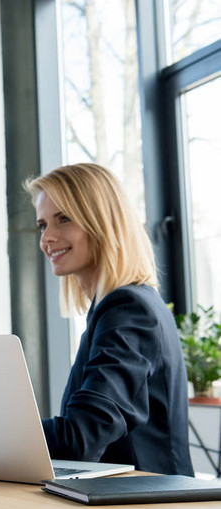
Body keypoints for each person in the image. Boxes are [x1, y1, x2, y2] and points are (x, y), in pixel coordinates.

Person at [27, 163, 193, 476]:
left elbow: (81, 436)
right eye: (42, 225)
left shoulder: (129, 309)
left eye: (63, 219)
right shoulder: (114, 306)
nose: (47, 237)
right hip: (127, 502)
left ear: (101, 222)